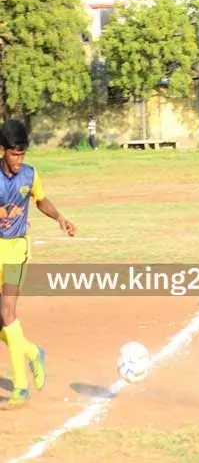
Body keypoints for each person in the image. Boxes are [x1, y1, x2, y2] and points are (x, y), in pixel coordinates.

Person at [0, 120, 76, 408]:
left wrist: (60, 218)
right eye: (14, 154)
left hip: (17, 249)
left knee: (8, 312)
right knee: (1, 321)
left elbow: (41, 200)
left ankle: (20, 387)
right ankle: (32, 353)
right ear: (2, 151)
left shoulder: (30, 175)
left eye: (23, 154)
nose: (19, 160)